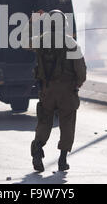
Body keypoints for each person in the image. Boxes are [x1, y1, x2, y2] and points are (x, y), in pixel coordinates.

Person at [22, 10, 87, 172]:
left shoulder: (40, 41)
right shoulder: (71, 43)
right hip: (67, 90)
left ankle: (37, 150)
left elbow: (24, 42)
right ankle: (63, 159)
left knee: (44, 121)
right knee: (67, 123)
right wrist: (76, 85)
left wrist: (31, 22)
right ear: (63, 24)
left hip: (47, 89)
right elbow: (81, 72)